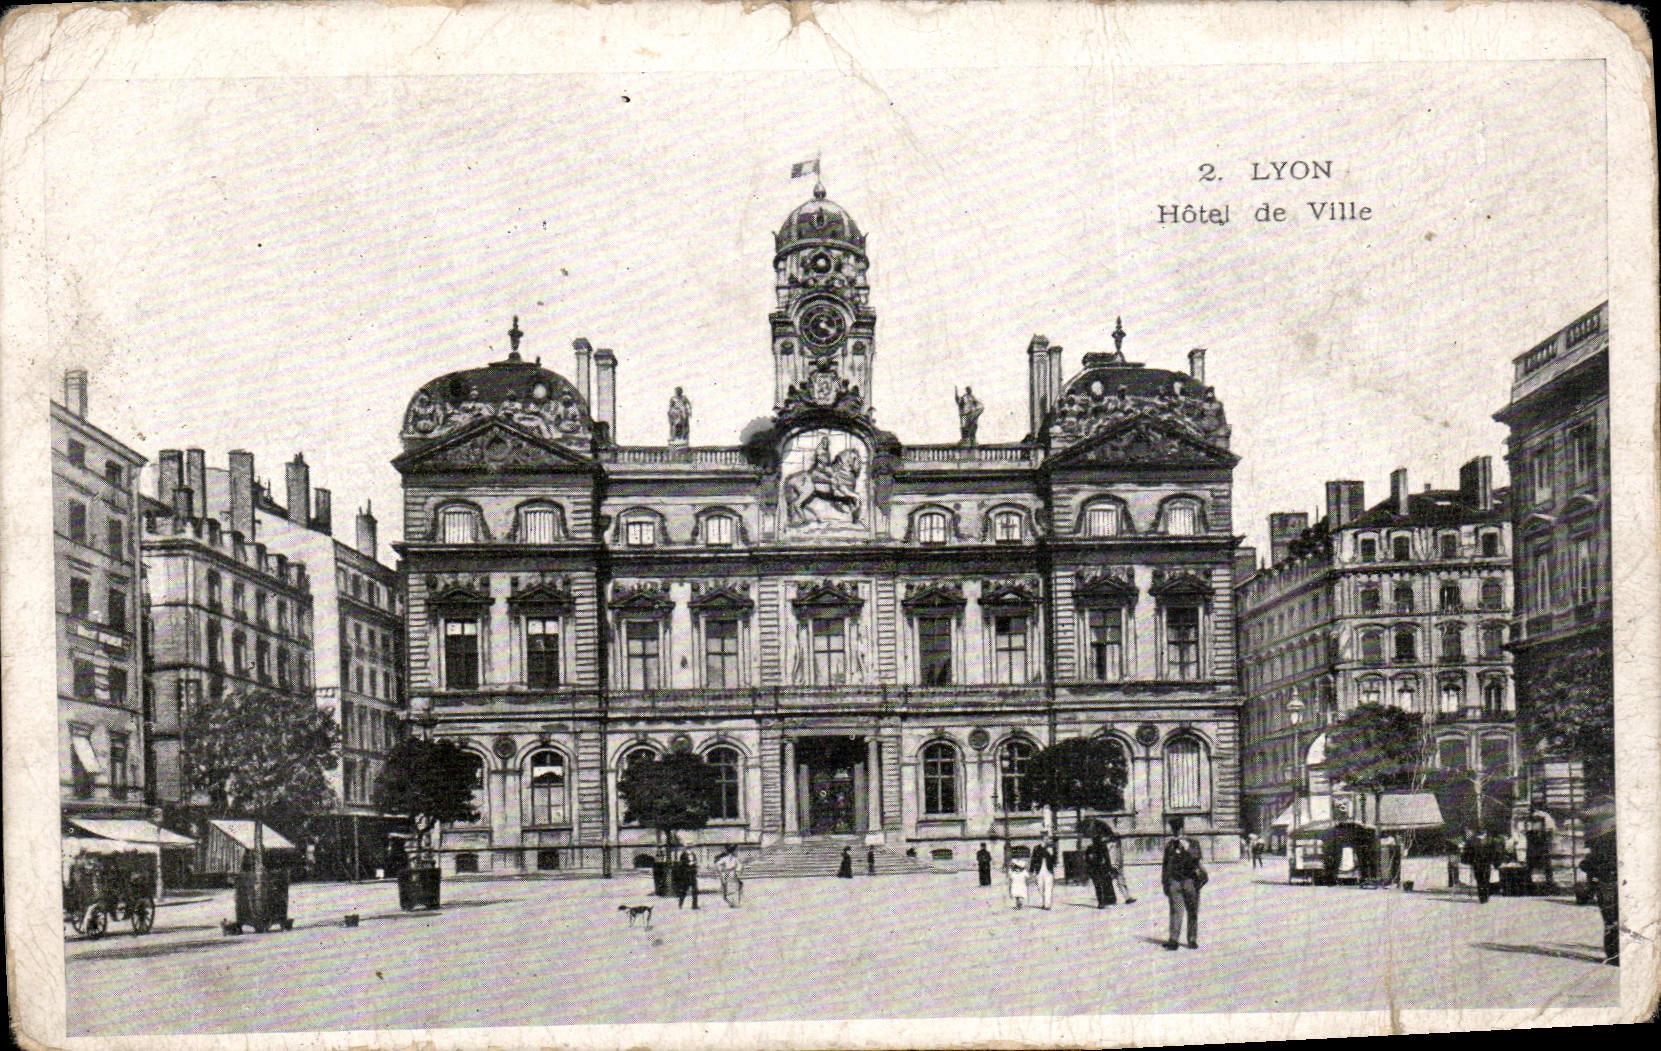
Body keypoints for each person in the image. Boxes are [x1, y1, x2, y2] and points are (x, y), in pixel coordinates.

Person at [1161, 817, 1204, 950]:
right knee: (1175, 911)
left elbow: (1198, 858)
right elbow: (1165, 865)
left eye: (1178, 829)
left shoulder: (1193, 842)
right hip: (1174, 882)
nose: (1176, 832)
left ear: (1183, 828)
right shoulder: (1169, 845)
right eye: (1174, 829)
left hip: (1190, 881)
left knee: (1192, 911)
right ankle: (1173, 940)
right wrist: (1165, 883)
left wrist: (1188, 849)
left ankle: (1192, 939)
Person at [1580, 832, 1619, 966]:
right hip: (1614, 884)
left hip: (1607, 884)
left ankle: (1614, 955)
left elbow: (1585, 865)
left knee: (1611, 922)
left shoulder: (1601, 842)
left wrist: (1597, 874)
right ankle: (1617, 954)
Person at [1104, 820, 1136, 903]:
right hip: (1115, 866)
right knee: (1117, 881)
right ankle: (1123, 898)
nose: (1119, 840)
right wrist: (1115, 865)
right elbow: (1112, 856)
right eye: (1117, 838)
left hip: (1118, 865)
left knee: (1119, 881)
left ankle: (1126, 897)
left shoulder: (1117, 846)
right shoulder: (1112, 846)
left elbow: (1120, 856)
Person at [1084, 836, 1117, 907]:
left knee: (1098, 886)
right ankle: (1108, 901)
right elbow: (1107, 859)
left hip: (1095, 870)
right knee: (1105, 884)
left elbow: (1087, 860)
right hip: (1102, 869)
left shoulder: (1090, 848)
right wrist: (1109, 868)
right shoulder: (1102, 847)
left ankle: (1102, 902)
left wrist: (1089, 870)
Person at [1468, 830, 1494, 904]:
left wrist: (1471, 862)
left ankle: (1482, 897)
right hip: (1486, 864)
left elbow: (1469, 854)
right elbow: (1492, 852)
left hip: (1477, 864)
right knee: (1486, 880)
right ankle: (1485, 897)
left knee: (1480, 881)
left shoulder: (1472, 841)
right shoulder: (1488, 841)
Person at [1030, 839, 1057, 910]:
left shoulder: (1051, 848)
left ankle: (1047, 905)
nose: (1046, 840)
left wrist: (1053, 853)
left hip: (1049, 871)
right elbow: (1033, 859)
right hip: (1039, 871)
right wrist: (1031, 871)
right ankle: (1044, 901)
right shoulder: (1036, 849)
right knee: (1040, 888)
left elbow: (1054, 861)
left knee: (1048, 888)